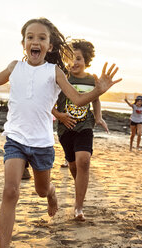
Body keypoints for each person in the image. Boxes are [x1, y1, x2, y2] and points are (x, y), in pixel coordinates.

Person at [0, 17, 121, 248]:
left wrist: (98, 90)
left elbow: (77, 99)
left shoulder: (54, 71)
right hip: (15, 139)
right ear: (24, 43)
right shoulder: (14, 67)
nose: (35, 41)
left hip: (41, 143)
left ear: (50, 46)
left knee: (41, 189)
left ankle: (52, 193)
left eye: (41, 38)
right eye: (30, 37)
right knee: (10, 191)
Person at [52, 39, 108, 221]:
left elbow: (96, 99)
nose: (74, 62)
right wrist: (59, 116)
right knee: (74, 165)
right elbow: (47, 103)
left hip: (85, 126)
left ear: (86, 61)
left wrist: (98, 117)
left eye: (78, 59)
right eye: (70, 58)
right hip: (65, 128)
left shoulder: (92, 80)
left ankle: (79, 207)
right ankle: (78, 187)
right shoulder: (61, 78)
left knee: (83, 161)